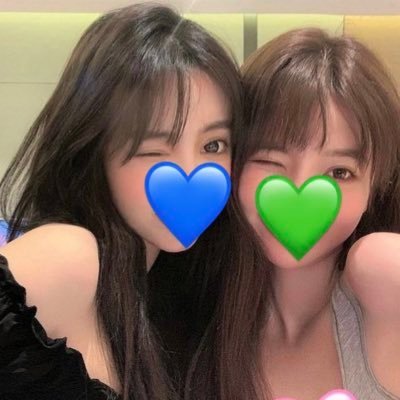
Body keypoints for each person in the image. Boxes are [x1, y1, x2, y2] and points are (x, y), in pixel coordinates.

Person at [0, 3, 242, 399]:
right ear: (94, 150)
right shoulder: (69, 255)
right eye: (153, 149)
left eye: (213, 145)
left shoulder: (172, 296)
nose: (191, 173)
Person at [185, 28, 400, 400]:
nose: (300, 189)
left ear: (375, 188)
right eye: (271, 161)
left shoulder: (381, 289)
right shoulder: (190, 316)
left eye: (339, 173)